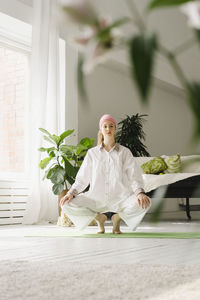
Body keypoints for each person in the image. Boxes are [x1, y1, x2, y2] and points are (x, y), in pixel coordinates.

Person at [60, 114, 151, 234]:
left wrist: (139, 193)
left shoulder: (124, 152)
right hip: (95, 199)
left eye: (111, 126)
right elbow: (83, 178)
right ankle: (99, 218)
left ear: (115, 129)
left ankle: (117, 218)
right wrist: (71, 193)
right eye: (105, 126)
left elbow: (133, 175)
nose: (108, 129)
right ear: (101, 130)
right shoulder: (92, 153)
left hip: (120, 198)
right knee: (66, 203)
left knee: (145, 202)